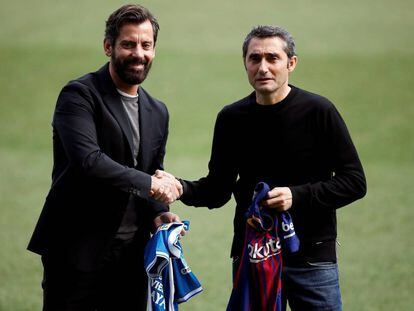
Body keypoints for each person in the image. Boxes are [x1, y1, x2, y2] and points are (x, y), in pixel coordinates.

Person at [158, 25, 366, 310]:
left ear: (291, 63)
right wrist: (181, 186)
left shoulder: (319, 112)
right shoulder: (232, 118)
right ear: (245, 63)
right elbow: (218, 189)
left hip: (312, 258)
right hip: (253, 254)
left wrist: (297, 196)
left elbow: (354, 181)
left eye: (273, 58)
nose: (263, 67)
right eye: (255, 58)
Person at [27, 4, 183, 310]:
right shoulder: (79, 95)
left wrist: (157, 212)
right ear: (108, 46)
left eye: (146, 45)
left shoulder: (157, 110)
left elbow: (151, 167)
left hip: (130, 254)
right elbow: (88, 160)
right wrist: (151, 184)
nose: (138, 53)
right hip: (76, 249)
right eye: (128, 44)